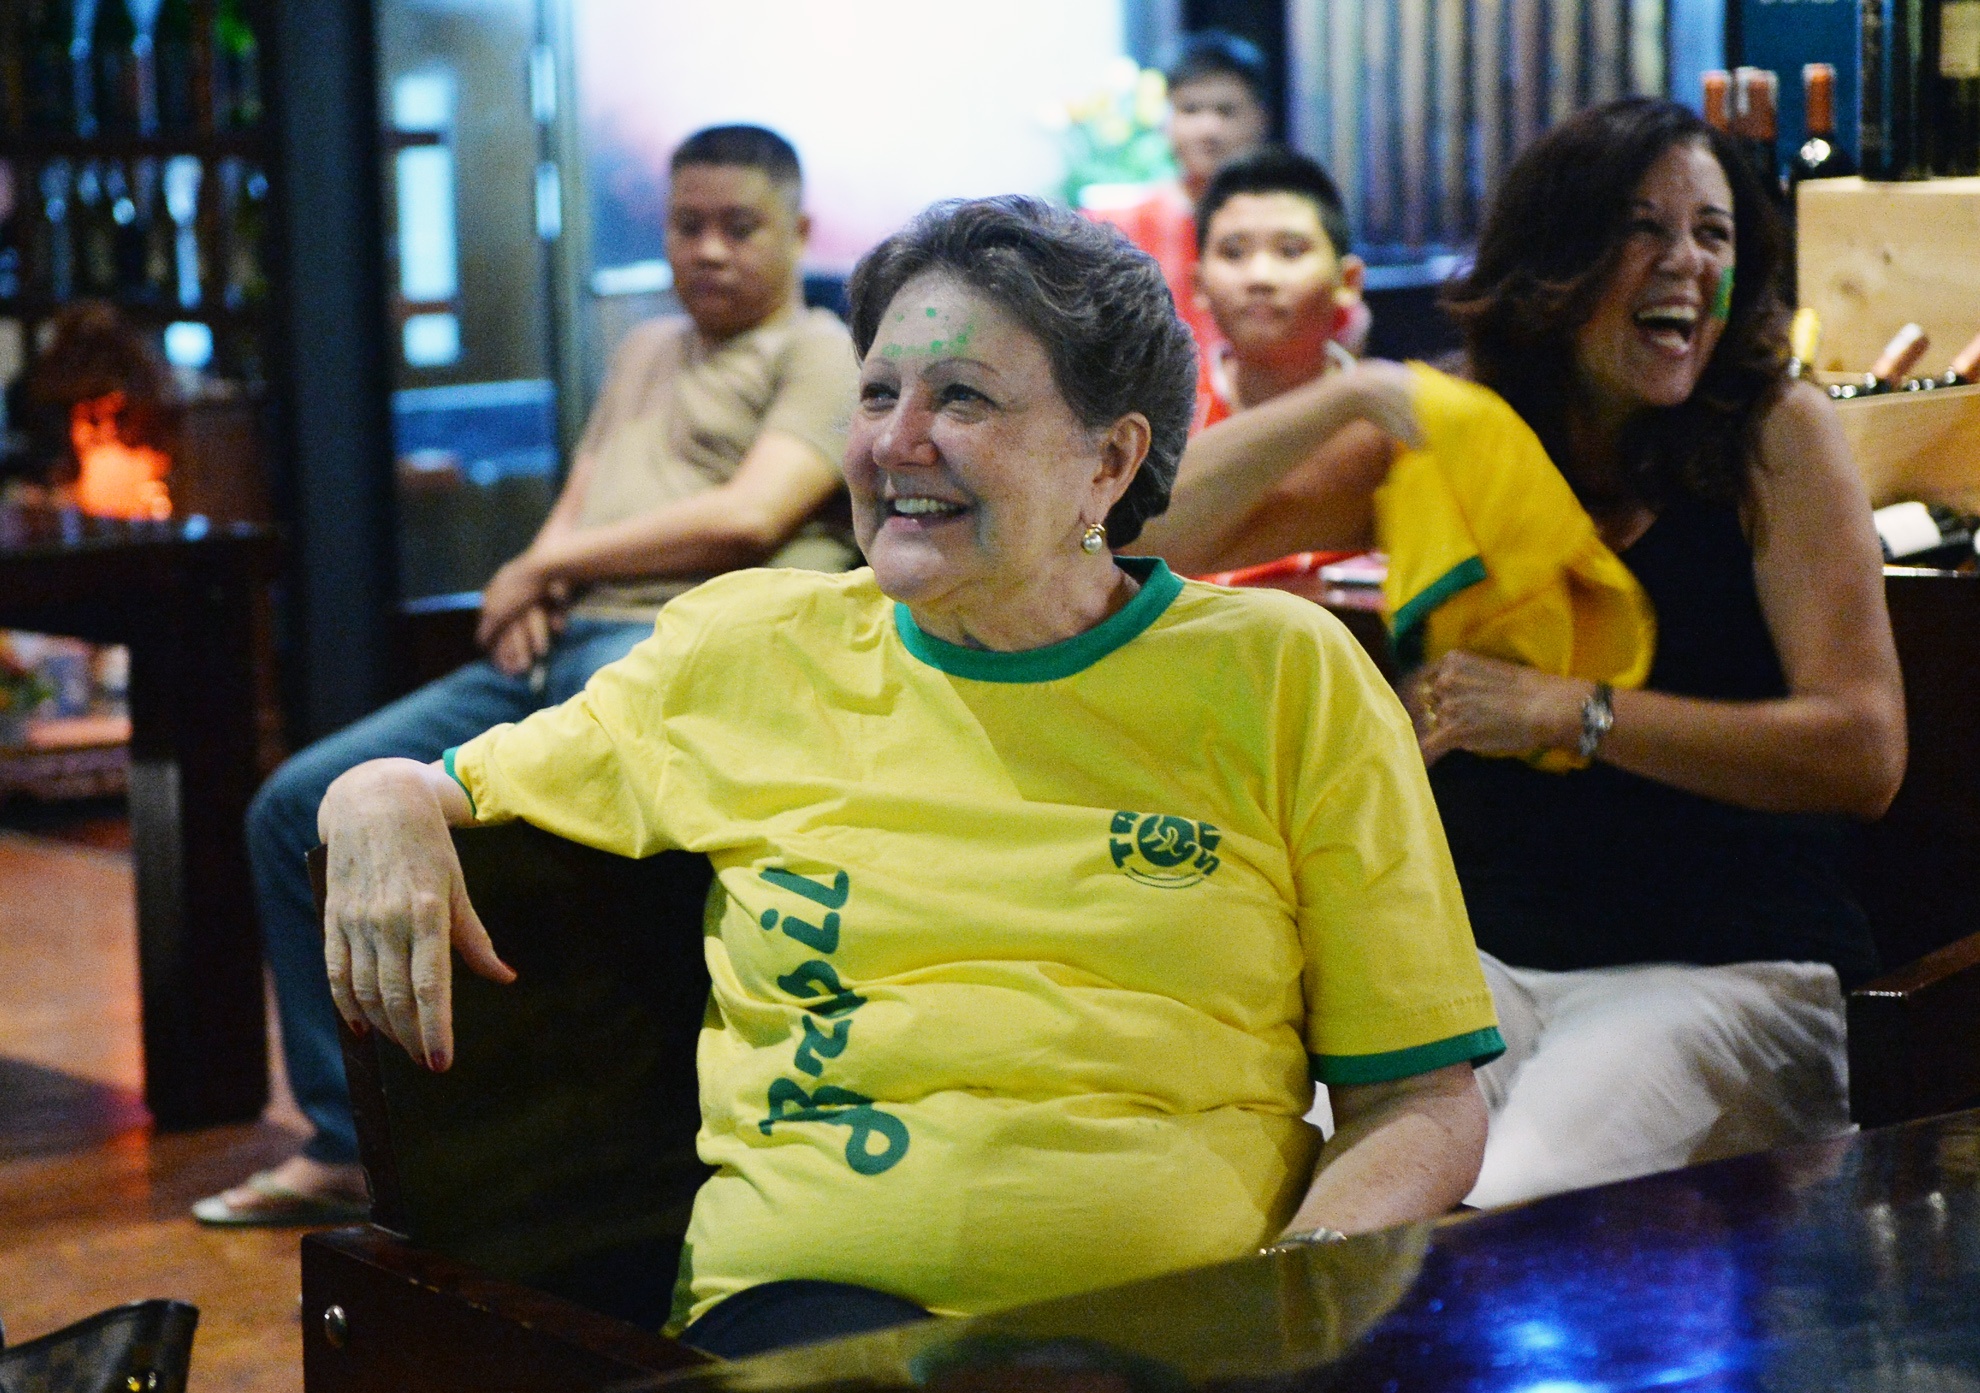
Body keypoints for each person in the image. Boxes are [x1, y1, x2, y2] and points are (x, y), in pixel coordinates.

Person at [310, 197, 1503, 1358]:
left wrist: (1293, 1299)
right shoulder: (749, 651)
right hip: (810, 1317)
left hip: (1179, 1326)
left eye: (963, 398)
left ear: (1110, 460)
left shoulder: (1282, 673)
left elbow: (1422, 1101)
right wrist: (372, 795)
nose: (895, 441)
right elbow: (451, 783)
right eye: (878, 393)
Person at [1142, 98, 1907, 1207]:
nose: (1687, 261)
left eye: (1714, 233)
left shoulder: (1773, 432)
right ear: (1557, 259)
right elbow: (1142, 531)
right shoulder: (1468, 434)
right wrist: (1357, 392)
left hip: (1730, 973)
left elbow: (1863, 750)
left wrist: (1573, 712)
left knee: (1502, 1202)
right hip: (1473, 967)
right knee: (1255, 1164)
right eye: (1643, 227)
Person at [194, 124, 861, 1225]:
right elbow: (586, 490)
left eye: (739, 226)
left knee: (552, 852)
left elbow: (751, 515)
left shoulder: (821, 348)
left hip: (681, 647)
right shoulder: (646, 348)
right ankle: (349, 1138)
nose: (708, 249)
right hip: (564, 636)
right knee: (295, 807)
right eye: (687, 225)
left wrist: (542, 566)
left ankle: (548, 1168)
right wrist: (534, 587)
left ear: (798, 229)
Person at [1189, 146, 1366, 434]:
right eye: (1234, 253)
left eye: (1290, 251)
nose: (1260, 276)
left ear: (1348, 280)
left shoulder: (1388, 422)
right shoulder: (1162, 419)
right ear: (1199, 285)